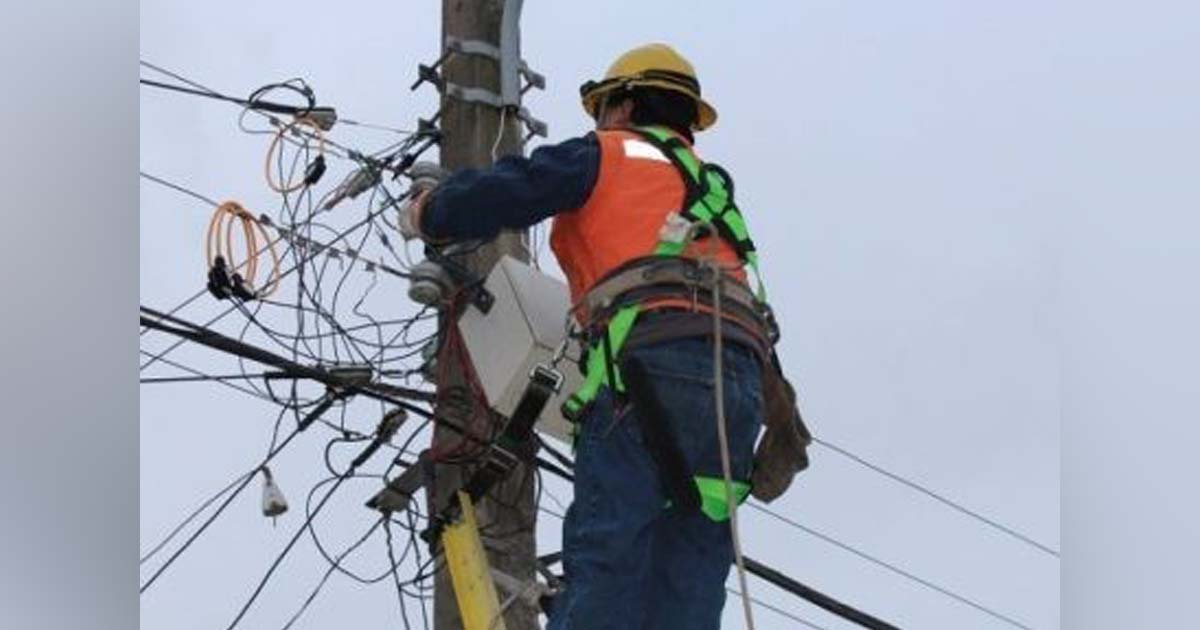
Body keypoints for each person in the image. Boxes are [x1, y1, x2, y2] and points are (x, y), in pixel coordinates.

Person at [400, 43, 781, 630]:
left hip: (651, 365)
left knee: (610, 554)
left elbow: (511, 189)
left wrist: (430, 212)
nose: (600, 121)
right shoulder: (711, 187)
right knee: (691, 568)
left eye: (604, 109)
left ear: (624, 106)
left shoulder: (608, 152)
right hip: (739, 389)